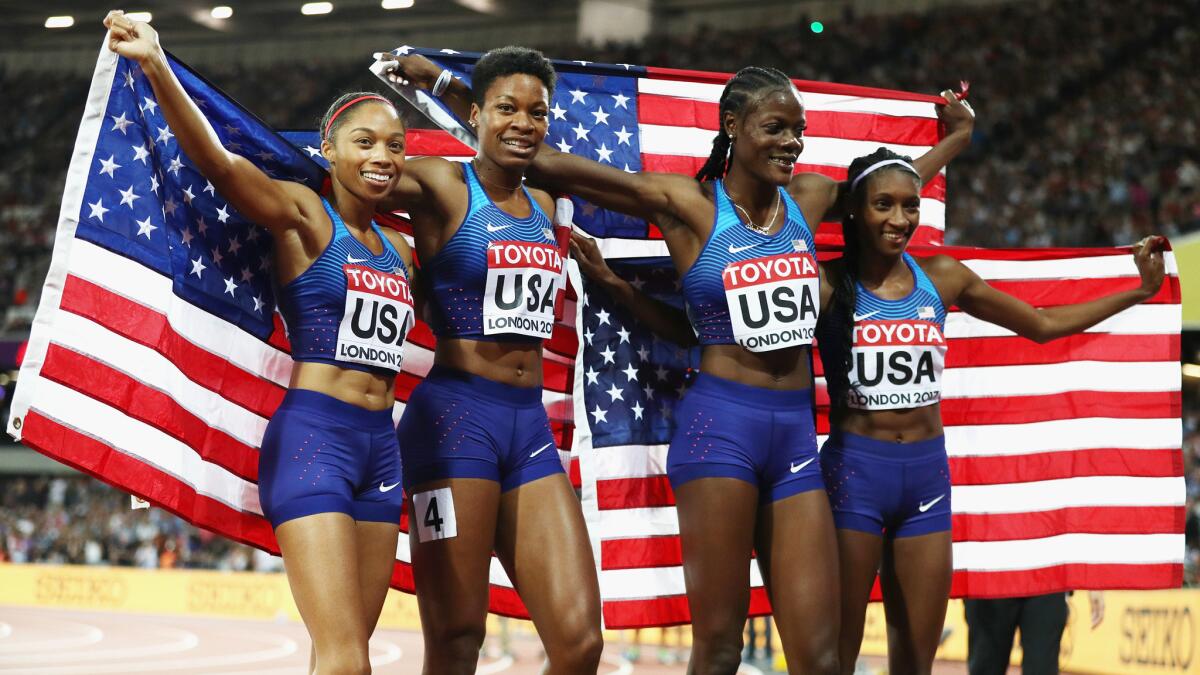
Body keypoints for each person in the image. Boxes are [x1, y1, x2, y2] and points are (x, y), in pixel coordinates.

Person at [387, 52, 975, 674]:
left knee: (821, 657)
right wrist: (452, 90)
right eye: (775, 127)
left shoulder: (810, 198)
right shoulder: (687, 204)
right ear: (733, 128)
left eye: (796, 130)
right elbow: (548, 159)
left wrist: (957, 140)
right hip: (718, 426)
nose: (791, 142)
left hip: (794, 433)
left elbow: (887, 183)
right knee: (716, 647)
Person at [103, 11, 417, 675]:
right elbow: (219, 164)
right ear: (329, 152)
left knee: (346, 653)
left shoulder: (403, 252)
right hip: (315, 441)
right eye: (365, 142)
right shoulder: (306, 215)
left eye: (396, 145)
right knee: (345, 660)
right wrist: (156, 63)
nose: (383, 157)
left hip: (381, 451)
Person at [816, 147, 1164, 675]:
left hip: (926, 481)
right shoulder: (823, 284)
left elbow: (1043, 326)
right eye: (883, 204)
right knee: (834, 657)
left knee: (916, 661)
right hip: (854, 475)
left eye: (911, 206)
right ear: (855, 211)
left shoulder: (943, 276)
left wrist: (1139, 292)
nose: (900, 219)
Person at [383, 46, 602, 675]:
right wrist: (437, 84)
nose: (524, 123)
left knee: (580, 641)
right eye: (506, 108)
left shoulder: (549, 199)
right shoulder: (445, 185)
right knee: (456, 640)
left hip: (526, 428)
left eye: (539, 112)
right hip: (452, 425)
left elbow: (527, 142)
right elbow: (361, 169)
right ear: (474, 114)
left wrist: (445, 83)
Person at [964, 591, 1105, 675]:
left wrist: (1094, 579)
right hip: (989, 567)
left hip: (1048, 571)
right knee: (985, 668)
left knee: (1042, 669)